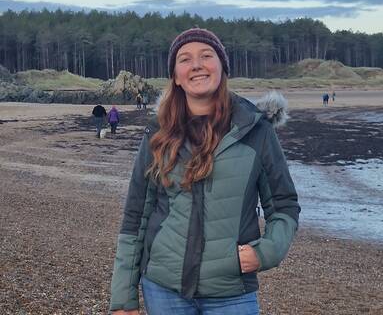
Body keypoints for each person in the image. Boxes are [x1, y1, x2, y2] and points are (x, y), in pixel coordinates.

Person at [109, 28, 300, 315]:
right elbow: (135, 217)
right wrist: (123, 298)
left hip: (232, 292)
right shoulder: (158, 134)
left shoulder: (256, 131)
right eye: (185, 59)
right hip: (163, 288)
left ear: (223, 67)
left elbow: (284, 205)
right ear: (176, 76)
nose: (196, 65)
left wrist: (265, 252)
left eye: (206, 56)